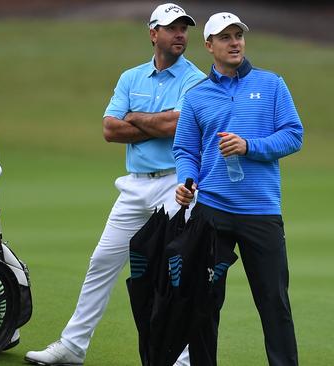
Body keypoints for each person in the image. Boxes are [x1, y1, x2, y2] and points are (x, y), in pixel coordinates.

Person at [25, 3, 205, 365]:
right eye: (172, 28)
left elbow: (179, 126)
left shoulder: (195, 79)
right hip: (135, 185)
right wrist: (156, 122)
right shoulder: (130, 78)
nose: (181, 34)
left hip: (176, 185)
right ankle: (73, 347)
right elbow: (110, 130)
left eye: (184, 28)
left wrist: (135, 119)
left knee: (174, 271)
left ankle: (182, 358)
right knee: (102, 260)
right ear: (154, 33)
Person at [173, 12, 303, 366]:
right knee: (204, 300)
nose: (234, 42)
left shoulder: (272, 84)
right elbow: (185, 150)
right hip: (212, 210)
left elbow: (293, 135)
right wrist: (187, 181)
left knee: (274, 302)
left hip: (260, 211)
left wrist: (250, 146)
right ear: (209, 45)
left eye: (238, 36)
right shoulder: (197, 96)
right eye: (225, 37)